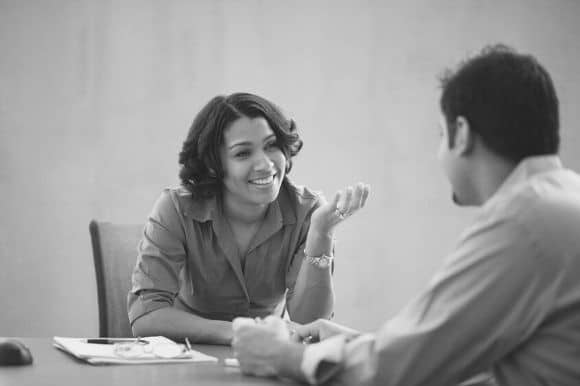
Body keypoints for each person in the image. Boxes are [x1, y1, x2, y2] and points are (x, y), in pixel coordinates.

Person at [232, 45, 580, 385]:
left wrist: (280, 355)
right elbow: (444, 354)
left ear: (461, 134)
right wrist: (352, 345)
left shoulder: (522, 223)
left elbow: (403, 372)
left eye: (440, 134)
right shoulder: (560, 200)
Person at [128, 92, 370, 344]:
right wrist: (237, 332)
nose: (265, 164)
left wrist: (321, 234)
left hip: (270, 362)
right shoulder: (176, 208)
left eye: (271, 145)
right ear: (213, 165)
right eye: (243, 153)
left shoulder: (308, 212)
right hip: (188, 356)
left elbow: (309, 323)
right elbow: (146, 316)